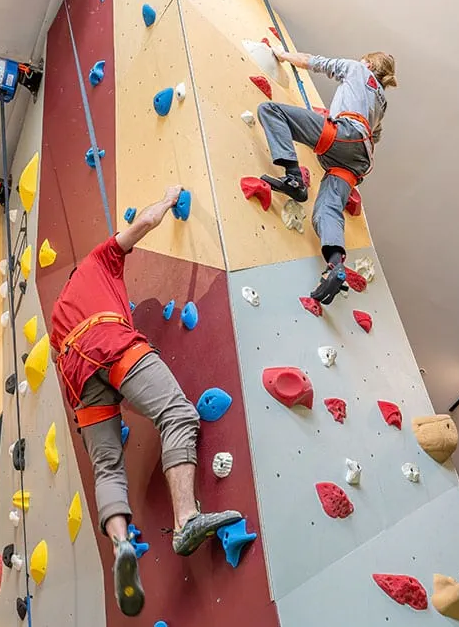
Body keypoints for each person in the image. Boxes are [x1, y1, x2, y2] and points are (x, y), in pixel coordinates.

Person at [49, 185, 243, 617]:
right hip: (109, 341)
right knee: (177, 414)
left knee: (107, 467)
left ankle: (120, 542)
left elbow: (81, 380)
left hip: (77, 379)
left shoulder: (58, 318)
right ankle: (185, 519)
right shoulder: (98, 262)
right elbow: (143, 224)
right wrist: (170, 197)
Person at [256, 50, 397, 304]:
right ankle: (334, 266)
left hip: (342, 136)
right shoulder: (382, 102)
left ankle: (294, 177)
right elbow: (375, 137)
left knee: (271, 111)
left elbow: (315, 62)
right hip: (358, 160)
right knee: (327, 211)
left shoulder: (357, 68)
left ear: (369, 63)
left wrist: (282, 55)